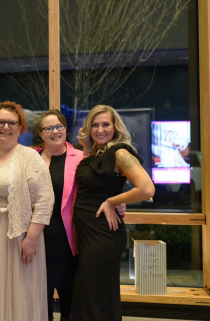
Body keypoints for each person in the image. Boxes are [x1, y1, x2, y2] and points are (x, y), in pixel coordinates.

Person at [0, 101, 54, 321]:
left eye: (12, 123)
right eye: (1, 122)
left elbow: (45, 199)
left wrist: (31, 239)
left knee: (16, 291)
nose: (6, 127)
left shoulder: (29, 157)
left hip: (15, 234)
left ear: (20, 127)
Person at [34, 110, 126, 321]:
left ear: (66, 129)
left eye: (59, 126)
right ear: (41, 133)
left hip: (72, 242)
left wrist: (118, 201)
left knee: (72, 304)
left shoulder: (81, 158)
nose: (55, 131)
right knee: (39, 305)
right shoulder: (31, 159)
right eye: (49, 128)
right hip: (38, 242)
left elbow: (102, 186)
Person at [70, 105, 155, 321]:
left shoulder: (120, 152)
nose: (100, 129)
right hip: (88, 236)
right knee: (89, 294)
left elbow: (146, 189)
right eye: (95, 125)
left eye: (105, 124)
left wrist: (112, 201)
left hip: (104, 235)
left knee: (98, 296)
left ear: (115, 127)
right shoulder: (94, 153)